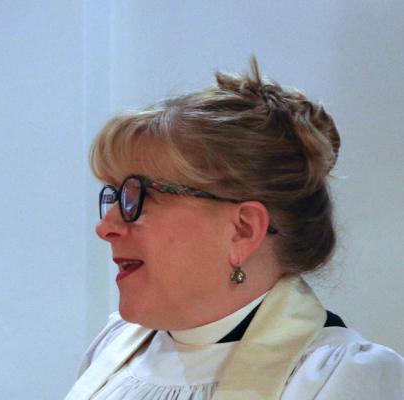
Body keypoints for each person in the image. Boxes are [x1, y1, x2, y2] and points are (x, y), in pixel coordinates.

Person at [65, 59, 404, 399]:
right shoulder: (116, 347)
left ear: (242, 230)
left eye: (136, 198)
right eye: (115, 196)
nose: (106, 227)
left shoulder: (338, 377)